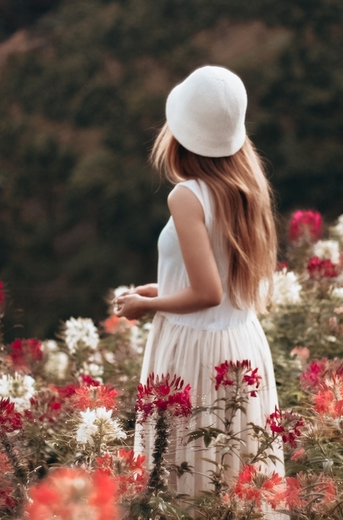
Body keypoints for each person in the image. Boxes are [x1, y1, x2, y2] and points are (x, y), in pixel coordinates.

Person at [113, 65, 283, 500]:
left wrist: (146, 307)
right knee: (234, 471)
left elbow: (208, 293)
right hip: (240, 343)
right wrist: (161, 288)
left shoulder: (186, 195)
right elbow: (218, 276)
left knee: (187, 471)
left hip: (196, 348)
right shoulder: (245, 187)